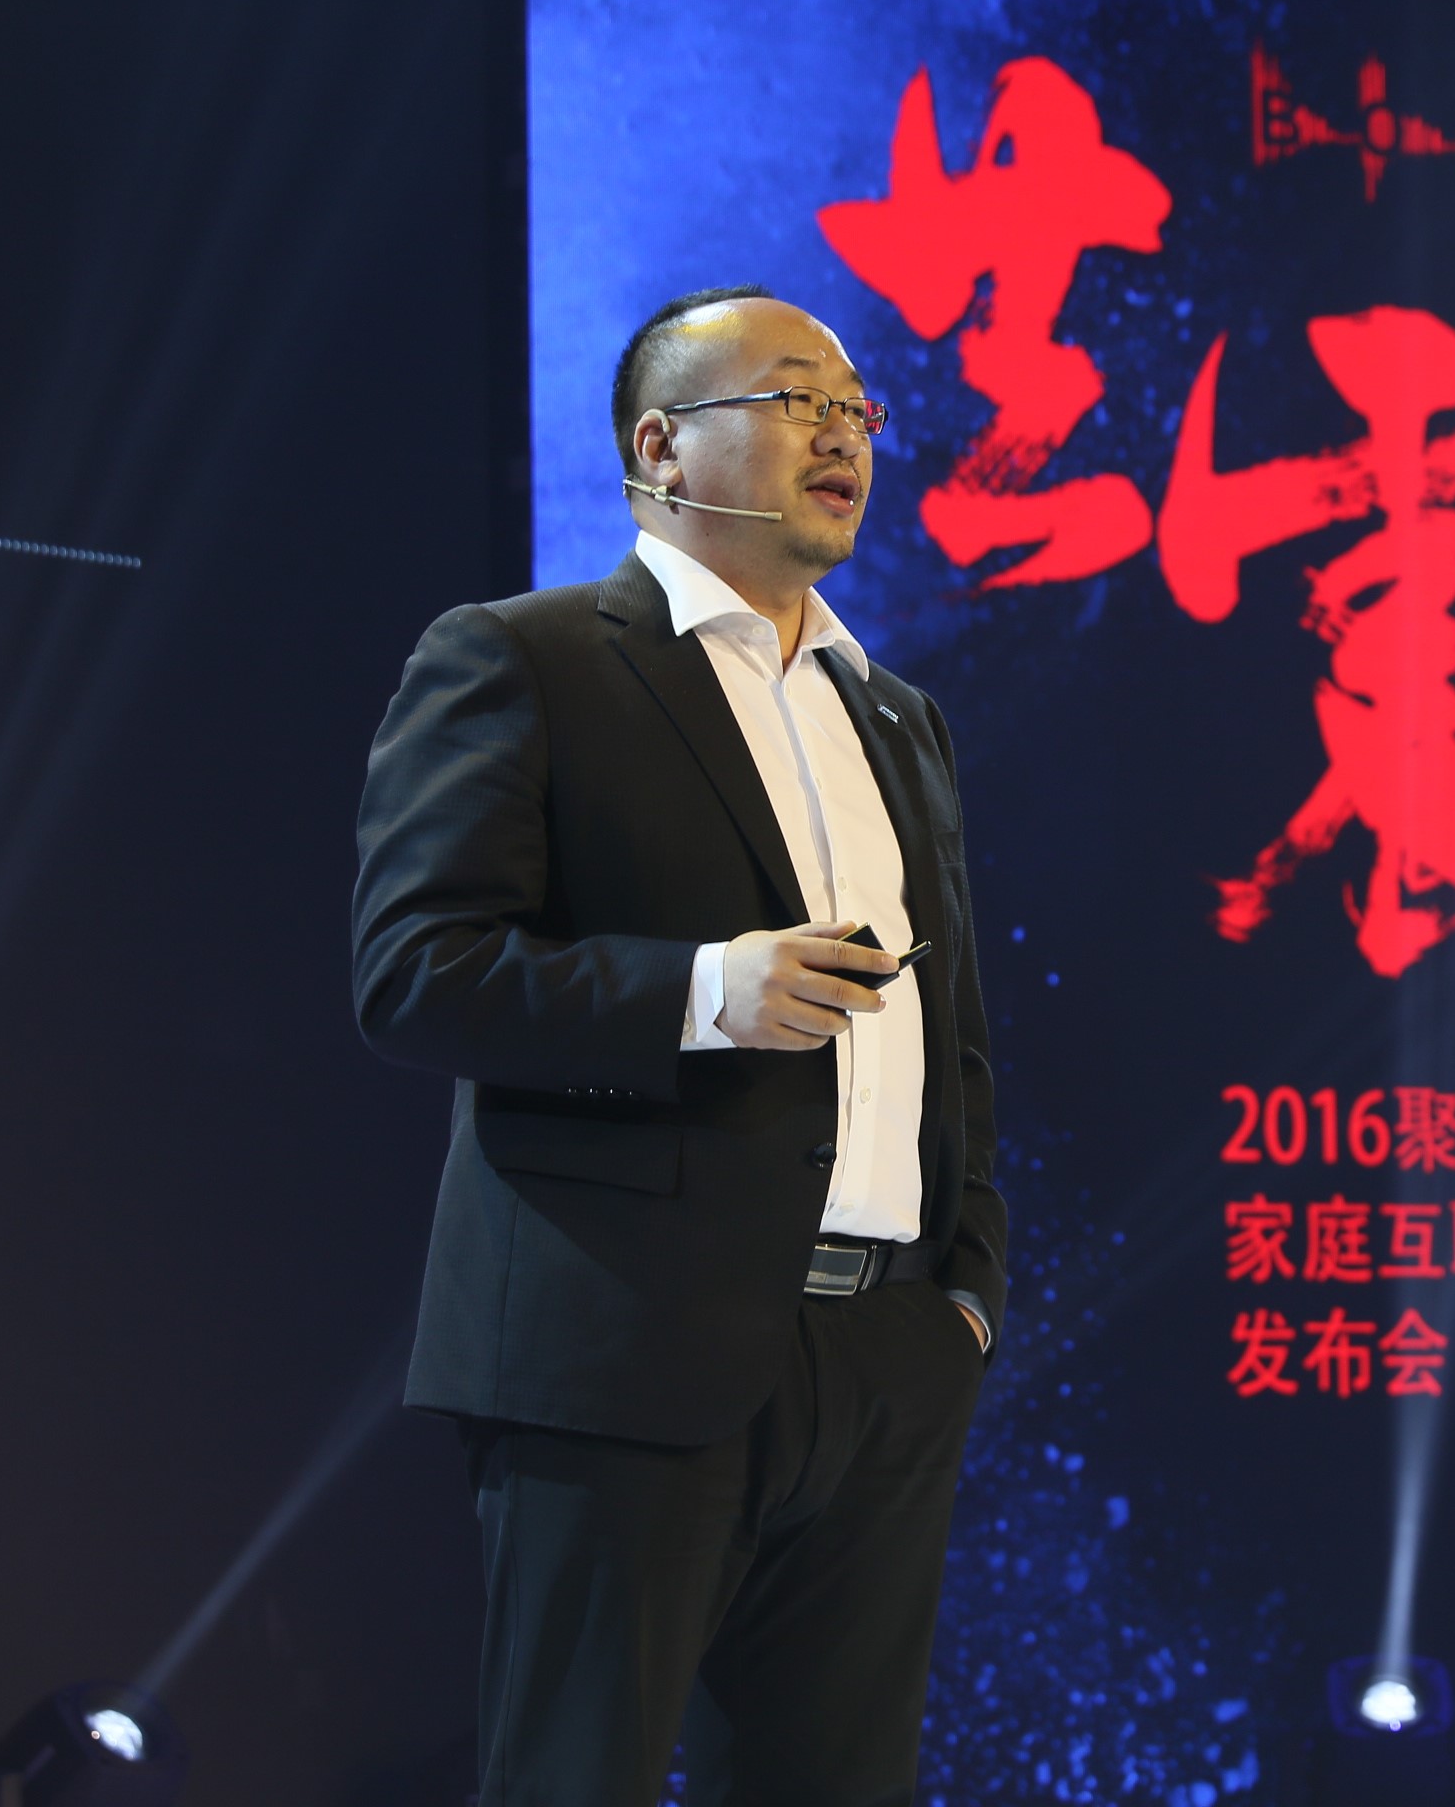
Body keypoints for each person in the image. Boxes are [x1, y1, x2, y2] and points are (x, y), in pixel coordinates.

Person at [351, 284, 1006, 1805]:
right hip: (625, 1342)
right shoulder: (526, 660)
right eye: (795, 400)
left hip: (887, 1356)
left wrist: (963, 1291)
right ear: (661, 445)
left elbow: (954, 1036)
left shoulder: (894, 715)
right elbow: (417, 973)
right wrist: (706, 992)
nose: (843, 436)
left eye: (856, 409)